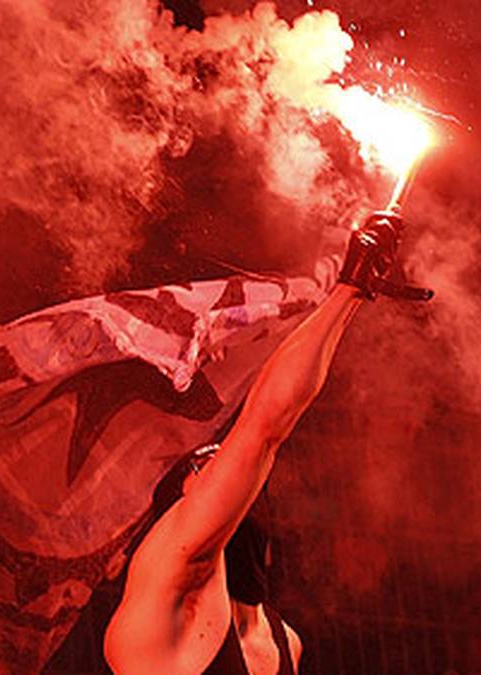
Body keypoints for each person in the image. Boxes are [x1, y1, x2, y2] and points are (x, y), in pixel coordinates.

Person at [104, 211, 421, 674]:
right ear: (177, 509)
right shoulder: (162, 608)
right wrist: (347, 292)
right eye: (206, 468)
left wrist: (358, 290)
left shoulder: (283, 643)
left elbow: (263, 438)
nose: (229, 473)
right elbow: (263, 428)